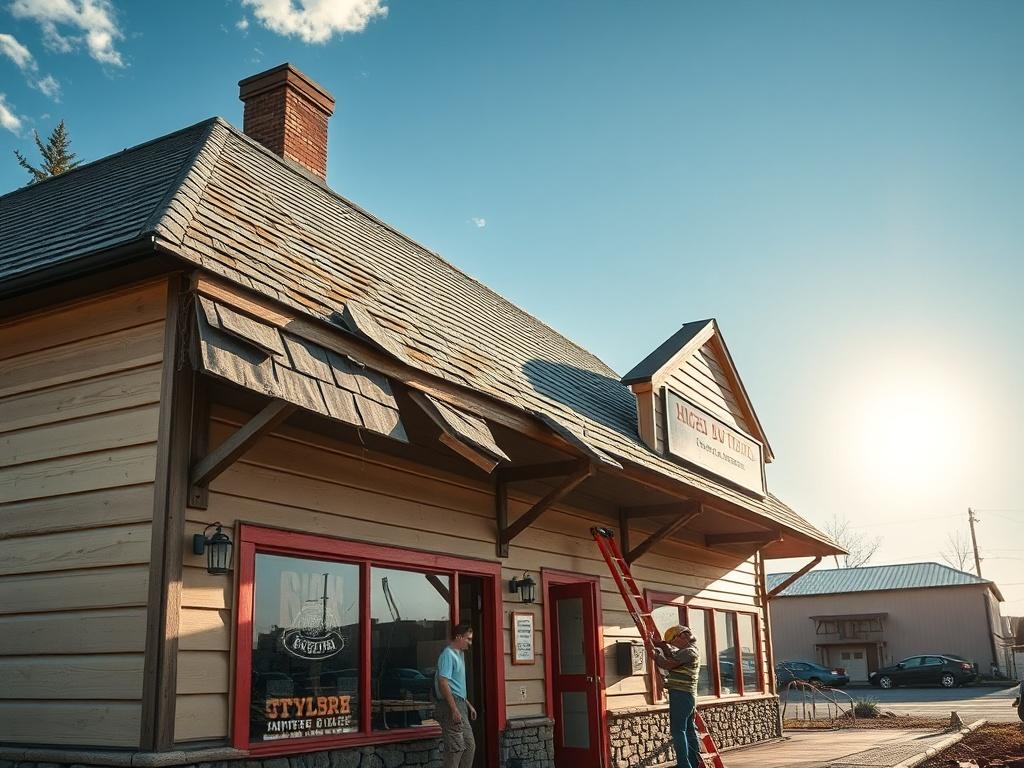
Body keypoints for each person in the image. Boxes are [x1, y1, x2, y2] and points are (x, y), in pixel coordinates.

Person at [652, 625, 701, 768]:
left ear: (682, 636)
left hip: (681, 694)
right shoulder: (689, 650)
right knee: (689, 730)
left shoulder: (688, 652)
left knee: (678, 731)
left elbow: (667, 663)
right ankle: (693, 762)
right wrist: (663, 646)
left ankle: (684, 765)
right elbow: (672, 656)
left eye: (673, 642)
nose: (673, 645)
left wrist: (653, 653)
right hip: (687, 695)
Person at [435, 623, 477, 768]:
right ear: (459, 637)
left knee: (469, 746)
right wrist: (454, 709)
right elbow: (443, 682)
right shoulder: (448, 654)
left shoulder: (460, 654)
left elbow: (456, 684)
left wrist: (468, 704)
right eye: (468, 639)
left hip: (461, 704)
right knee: (456, 749)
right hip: (450, 706)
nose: (470, 643)